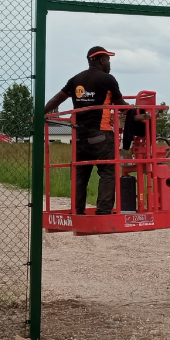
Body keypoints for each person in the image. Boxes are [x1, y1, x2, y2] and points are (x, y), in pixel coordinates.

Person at [43, 46, 147, 215]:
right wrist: (138, 110)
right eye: (108, 60)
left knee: (79, 175)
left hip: (79, 137)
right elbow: (120, 106)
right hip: (100, 135)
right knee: (108, 171)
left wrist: (41, 112)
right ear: (101, 60)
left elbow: (58, 98)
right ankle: (103, 211)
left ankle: (77, 211)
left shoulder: (75, 80)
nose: (110, 64)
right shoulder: (107, 79)